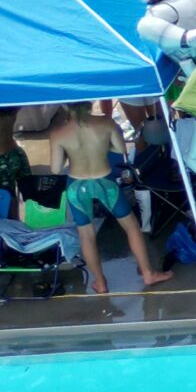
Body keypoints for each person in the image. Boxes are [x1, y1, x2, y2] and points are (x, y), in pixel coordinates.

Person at [50, 105, 173, 295]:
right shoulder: (106, 123)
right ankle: (148, 273)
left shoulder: (59, 133)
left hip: (77, 184)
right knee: (131, 225)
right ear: (90, 103)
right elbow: (121, 149)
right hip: (105, 180)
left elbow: (56, 169)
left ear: (66, 105)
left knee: (86, 234)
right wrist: (100, 146)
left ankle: (100, 283)